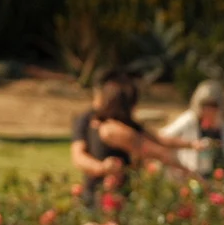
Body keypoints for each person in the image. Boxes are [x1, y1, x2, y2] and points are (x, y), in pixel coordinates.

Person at [71, 72, 184, 206]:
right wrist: (102, 167)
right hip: (101, 197)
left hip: (121, 195)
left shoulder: (117, 124)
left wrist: (193, 145)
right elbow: (78, 156)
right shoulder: (106, 127)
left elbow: (156, 139)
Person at [159, 79, 224, 188]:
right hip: (189, 178)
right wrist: (190, 145)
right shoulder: (189, 120)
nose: (209, 110)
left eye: (213, 106)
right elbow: (163, 137)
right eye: (205, 106)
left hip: (218, 179)